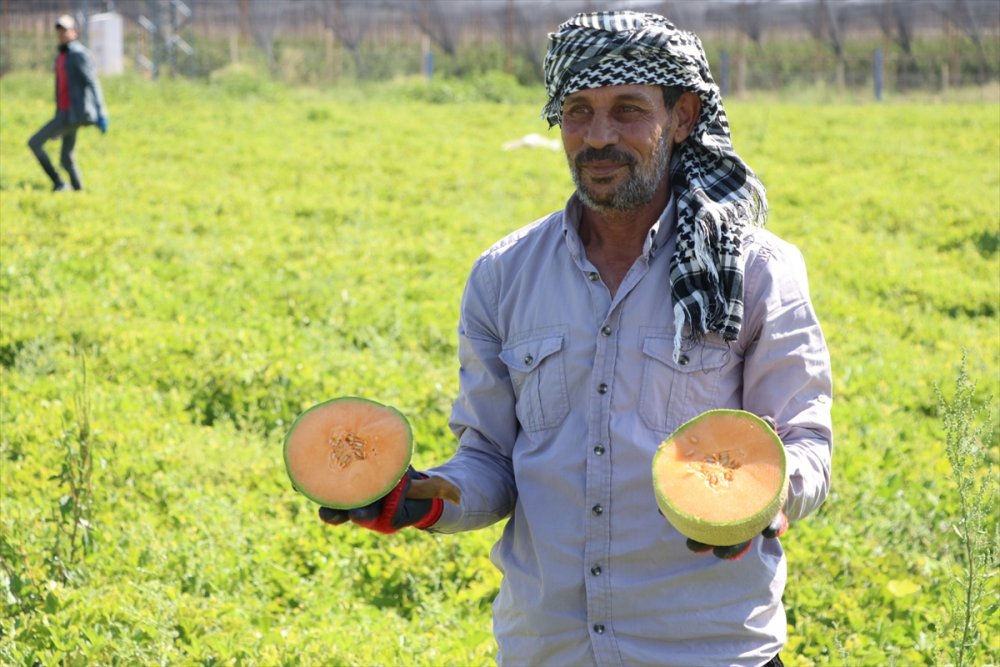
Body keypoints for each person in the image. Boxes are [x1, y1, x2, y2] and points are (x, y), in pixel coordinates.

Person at [319, 11, 833, 667]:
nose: (597, 136)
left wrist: (764, 498)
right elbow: (490, 462)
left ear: (682, 118)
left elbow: (805, 443)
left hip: (706, 649)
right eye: (577, 111)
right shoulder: (503, 275)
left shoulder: (756, 271)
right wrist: (418, 499)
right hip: (547, 648)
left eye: (627, 110)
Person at [28, 14, 108, 192]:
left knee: (34, 143)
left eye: (65, 30)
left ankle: (58, 182)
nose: (62, 34)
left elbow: (92, 82)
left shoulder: (78, 54)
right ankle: (77, 189)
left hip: (74, 114)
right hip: (63, 112)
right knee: (66, 157)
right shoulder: (61, 56)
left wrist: (101, 112)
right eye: (59, 31)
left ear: (74, 32)